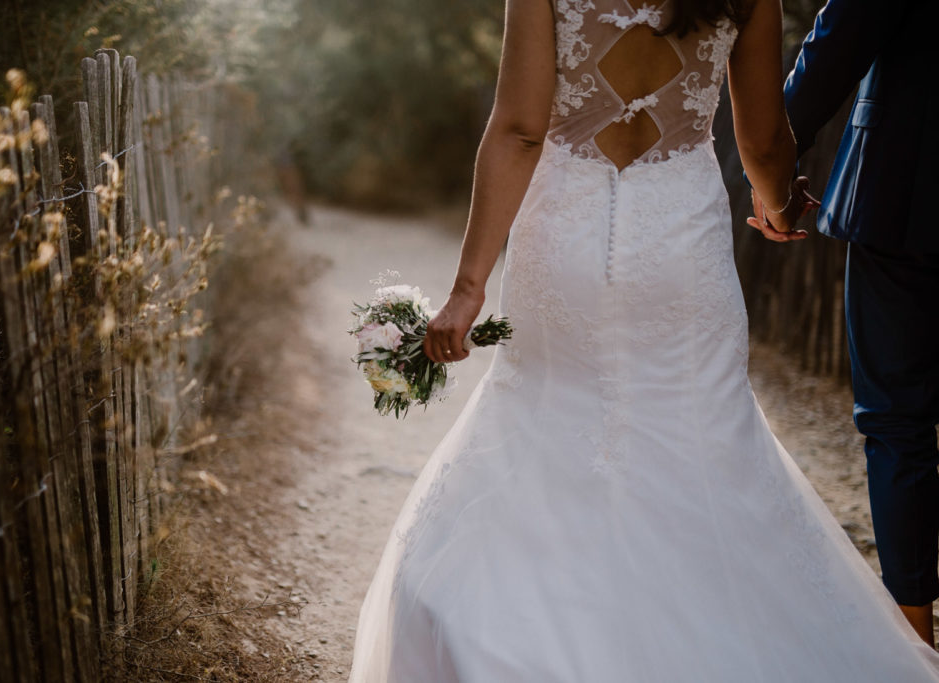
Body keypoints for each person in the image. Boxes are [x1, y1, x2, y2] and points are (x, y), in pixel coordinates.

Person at [349, 0, 939, 680]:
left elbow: (517, 131)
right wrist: (776, 203)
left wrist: (467, 287)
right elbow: (767, 142)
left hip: (562, 239)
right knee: (703, 438)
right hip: (680, 248)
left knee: (540, 420)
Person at [746, 0, 939, 647]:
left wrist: (772, 165)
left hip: (908, 191)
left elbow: (843, 34)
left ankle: (914, 639)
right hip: (903, 198)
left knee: (896, 419)